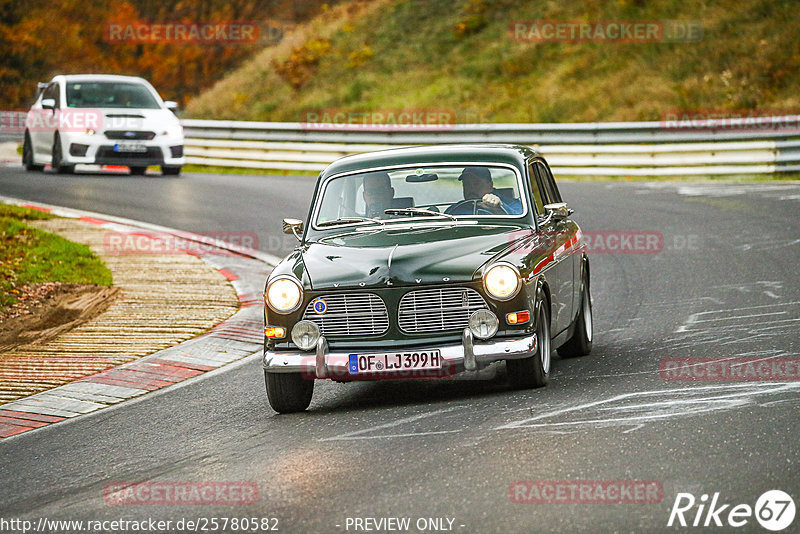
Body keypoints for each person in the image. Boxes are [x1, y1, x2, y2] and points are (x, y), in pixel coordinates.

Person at [449, 166, 522, 215]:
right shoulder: (456, 208)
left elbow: (522, 219)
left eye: (476, 183)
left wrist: (499, 208)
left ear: (490, 186)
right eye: (466, 184)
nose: (471, 188)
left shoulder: (512, 204)